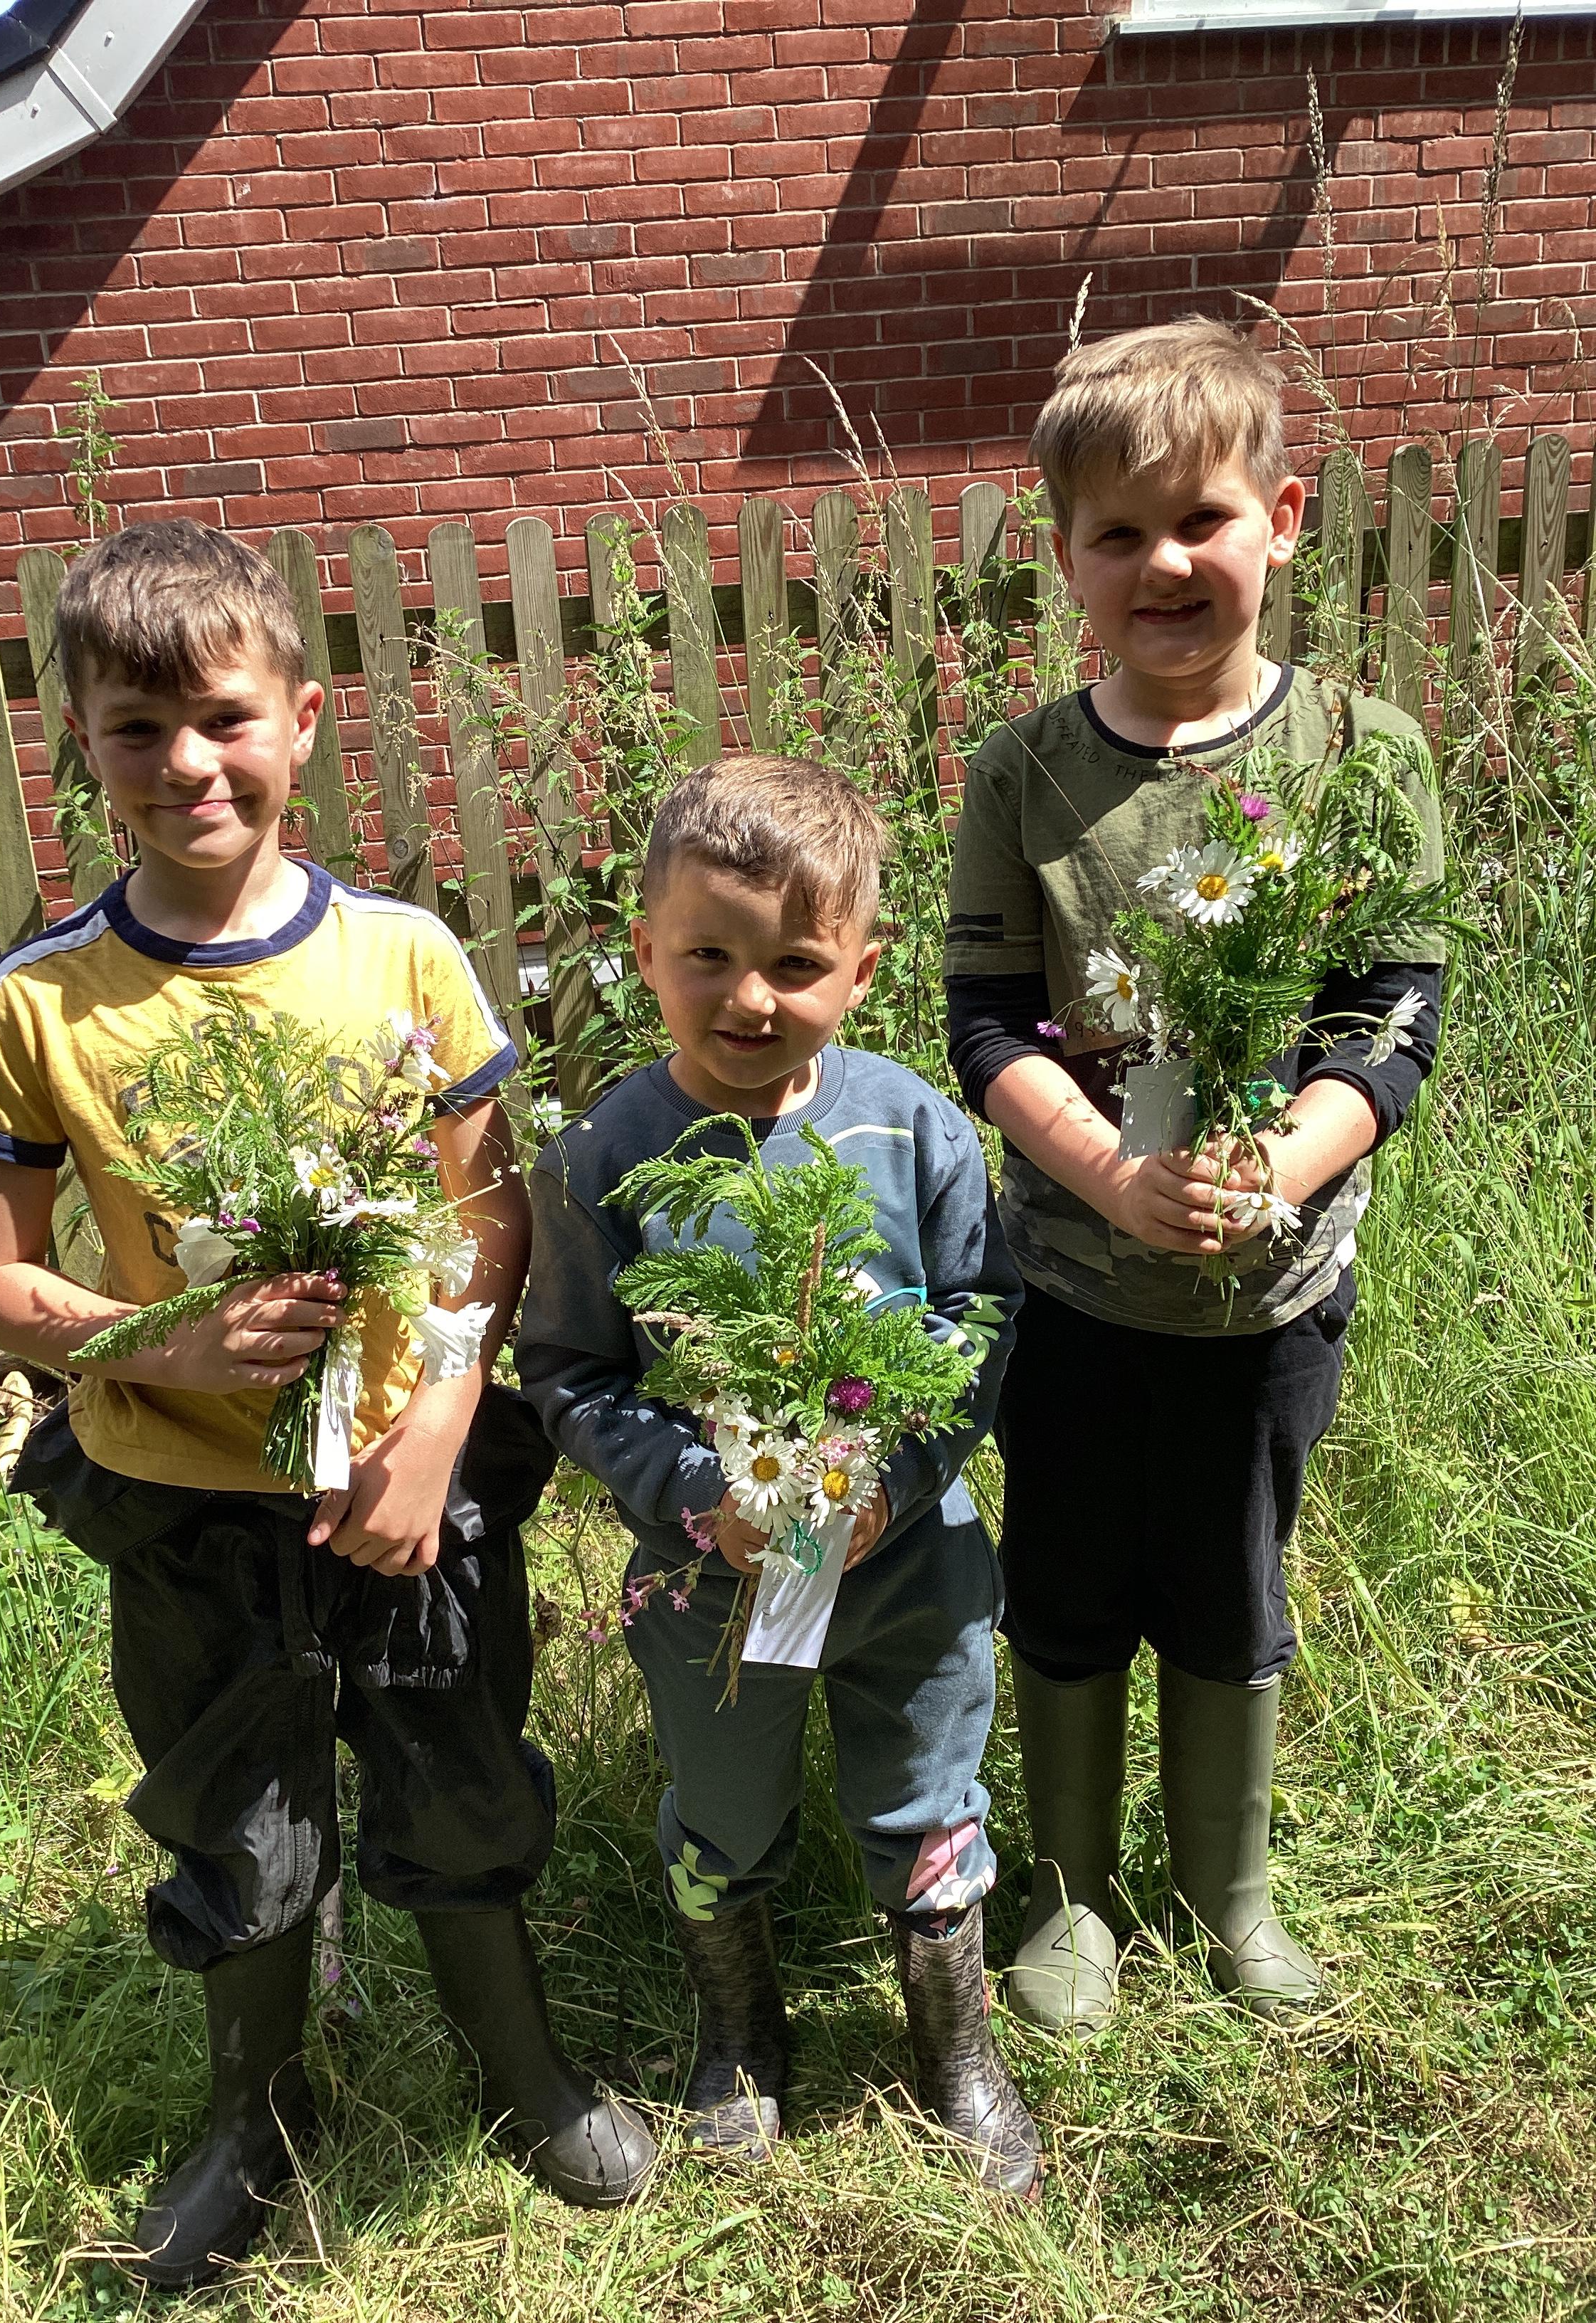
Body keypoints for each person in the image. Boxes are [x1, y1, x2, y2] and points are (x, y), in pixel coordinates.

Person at [0, 521, 655, 2290]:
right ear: (82, 742)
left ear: (304, 720)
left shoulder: (403, 960)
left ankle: (518, 2070)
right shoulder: (44, 1004)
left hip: (407, 1485)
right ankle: (254, 2118)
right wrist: (160, 1343)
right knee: (232, 1809)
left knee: (459, 1774)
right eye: (137, 729)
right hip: (188, 1503)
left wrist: (436, 1431)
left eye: (225, 718)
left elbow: (492, 1223)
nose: (188, 763)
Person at [944, 319, 1446, 2034]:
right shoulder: (1023, 773)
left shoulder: (1365, 754)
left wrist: (1285, 1168)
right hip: (1074, 1283)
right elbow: (986, 1021)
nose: (1165, 563)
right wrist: (1110, 1178)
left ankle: (1233, 1893)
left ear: (1282, 521)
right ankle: (1073, 1893)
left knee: (1236, 1580)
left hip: (1273, 1290)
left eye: (1203, 520)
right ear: (1065, 558)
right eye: (1119, 533)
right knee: (1068, 1578)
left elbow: (1392, 1016)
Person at [517, 755, 1041, 2203]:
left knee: (927, 1794)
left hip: (910, 1563)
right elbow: (568, 1373)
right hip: (714, 1587)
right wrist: (701, 1495)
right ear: (644, 952)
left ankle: (954, 2052)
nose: (751, 998)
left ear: (862, 969)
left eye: (797, 965)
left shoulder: (914, 1129)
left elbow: (979, 1315)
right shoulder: (603, 1160)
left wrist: (899, 1476)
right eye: (710, 957)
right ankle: (741, 2033)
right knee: (724, 1805)